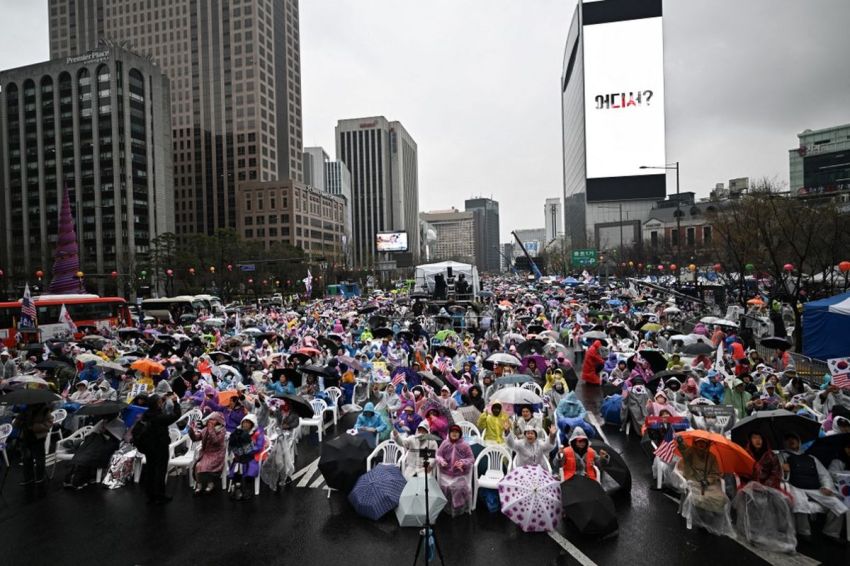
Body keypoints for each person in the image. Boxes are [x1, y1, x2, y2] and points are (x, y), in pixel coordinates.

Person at [778, 433, 847, 542]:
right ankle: (804, 533)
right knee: (800, 504)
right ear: (784, 442)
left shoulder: (811, 458)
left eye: (794, 438)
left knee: (838, 505)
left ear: (799, 441)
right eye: (788, 439)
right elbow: (781, 478)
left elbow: (824, 475)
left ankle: (831, 532)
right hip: (796, 488)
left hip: (815, 490)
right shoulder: (782, 457)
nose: (791, 441)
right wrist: (784, 471)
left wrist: (827, 487)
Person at [134, 392, 182, 503]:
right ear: (157, 404)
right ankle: (160, 495)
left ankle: (150, 495)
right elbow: (176, 415)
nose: (162, 403)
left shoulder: (146, 414)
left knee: (150, 470)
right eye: (160, 402)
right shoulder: (159, 417)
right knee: (160, 470)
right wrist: (175, 402)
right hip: (160, 446)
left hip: (148, 447)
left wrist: (164, 399)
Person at [436, 424, 474, 515]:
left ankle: (458, 507)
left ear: (460, 434)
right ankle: (445, 507)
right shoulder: (445, 443)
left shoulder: (465, 445)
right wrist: (441, 461)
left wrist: (463, 462)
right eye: (452, 432)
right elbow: (438, 455)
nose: (454, 434)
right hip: (446, 473)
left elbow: (471, 458)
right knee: (444, 487)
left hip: (460, 474)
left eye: (457, 432)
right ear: (449, 433)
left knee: (458, 488)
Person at [227, 414, 267, 501]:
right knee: (236, 466)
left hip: (253, 455)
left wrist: (246, 451)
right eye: (244, 422)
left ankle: (247, 488)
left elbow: (259, 446)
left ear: (252, 424)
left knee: (250, 467)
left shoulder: (258, 432)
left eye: (247, 422)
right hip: (240, 456)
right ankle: (237, 487)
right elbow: (233, 444)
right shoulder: (238, 432)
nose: (245, 424)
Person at [12, 403, 54, 487]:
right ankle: (28, 478)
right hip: (25, 437)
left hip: (38, 438)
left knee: (39, 459)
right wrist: (19, 418)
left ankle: (40, 477)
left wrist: (33, 426)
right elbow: (15, 424)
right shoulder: (24, 410)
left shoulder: (44, 410)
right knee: (26, 459)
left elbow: (49, 424)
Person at [188, 412, 226, 495]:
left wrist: (210, 429)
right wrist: (191, 431)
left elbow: (215, 441)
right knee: (198, 465)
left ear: (218, 421)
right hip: (206, 453)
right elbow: (196, 438)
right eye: (210, 419)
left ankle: (210, 484)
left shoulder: (222, 430)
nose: (211, 421)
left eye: (213, 419)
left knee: (205, 465)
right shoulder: (206, 429)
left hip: (217, 453)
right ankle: (199, 485)